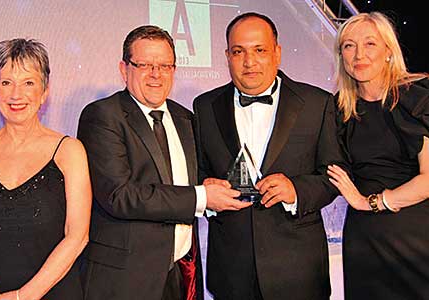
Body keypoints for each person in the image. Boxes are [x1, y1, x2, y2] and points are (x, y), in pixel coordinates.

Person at [77, 25, 248, 300]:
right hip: (125, 280)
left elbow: (182, 185)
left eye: (165, 65)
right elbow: (120, 195)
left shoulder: (185, 118)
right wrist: (202, 196)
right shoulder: (102, 116)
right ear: (124, 69)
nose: (156, 74)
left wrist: (207, 185)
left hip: (181, 275)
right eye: (144, 64)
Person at [193, 12, 344, 300]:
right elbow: (197, 172)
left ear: (277, 53)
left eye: (259, 50)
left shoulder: (317, 104)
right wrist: (209, 195)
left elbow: (333, 175)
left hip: (298, 271)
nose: (249, 62)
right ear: (227, 56)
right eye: (239, 52)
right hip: (231, 271)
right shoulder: (204, 106)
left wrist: (296, 190)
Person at [0, 38, 92, 300]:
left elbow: (77, 236)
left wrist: (22, 297)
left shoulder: (69, 151)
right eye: (6, 83)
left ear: (44, 91)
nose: (16, 95)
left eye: (28, 83)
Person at [327, 12, 429, 299]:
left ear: (388, 51)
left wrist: (368, 202)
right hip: (363, 241)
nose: (359, 54)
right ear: (341, 56)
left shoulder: (416, 99)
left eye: (370, 44)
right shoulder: (339, 110)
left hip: (415, 238)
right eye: (349, 45)